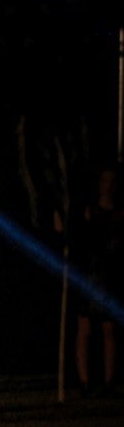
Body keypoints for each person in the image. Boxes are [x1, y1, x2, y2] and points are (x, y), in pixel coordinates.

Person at [67, 163, 123, 396]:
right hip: (90, 273)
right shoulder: (89, 211)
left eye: (111, 181)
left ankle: (109, 382)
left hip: (110, 274)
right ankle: (84, 381)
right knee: (85, 327)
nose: (107, 186)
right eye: (104, 181)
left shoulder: (119, 213)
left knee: (109, 328)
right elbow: (81, 240)